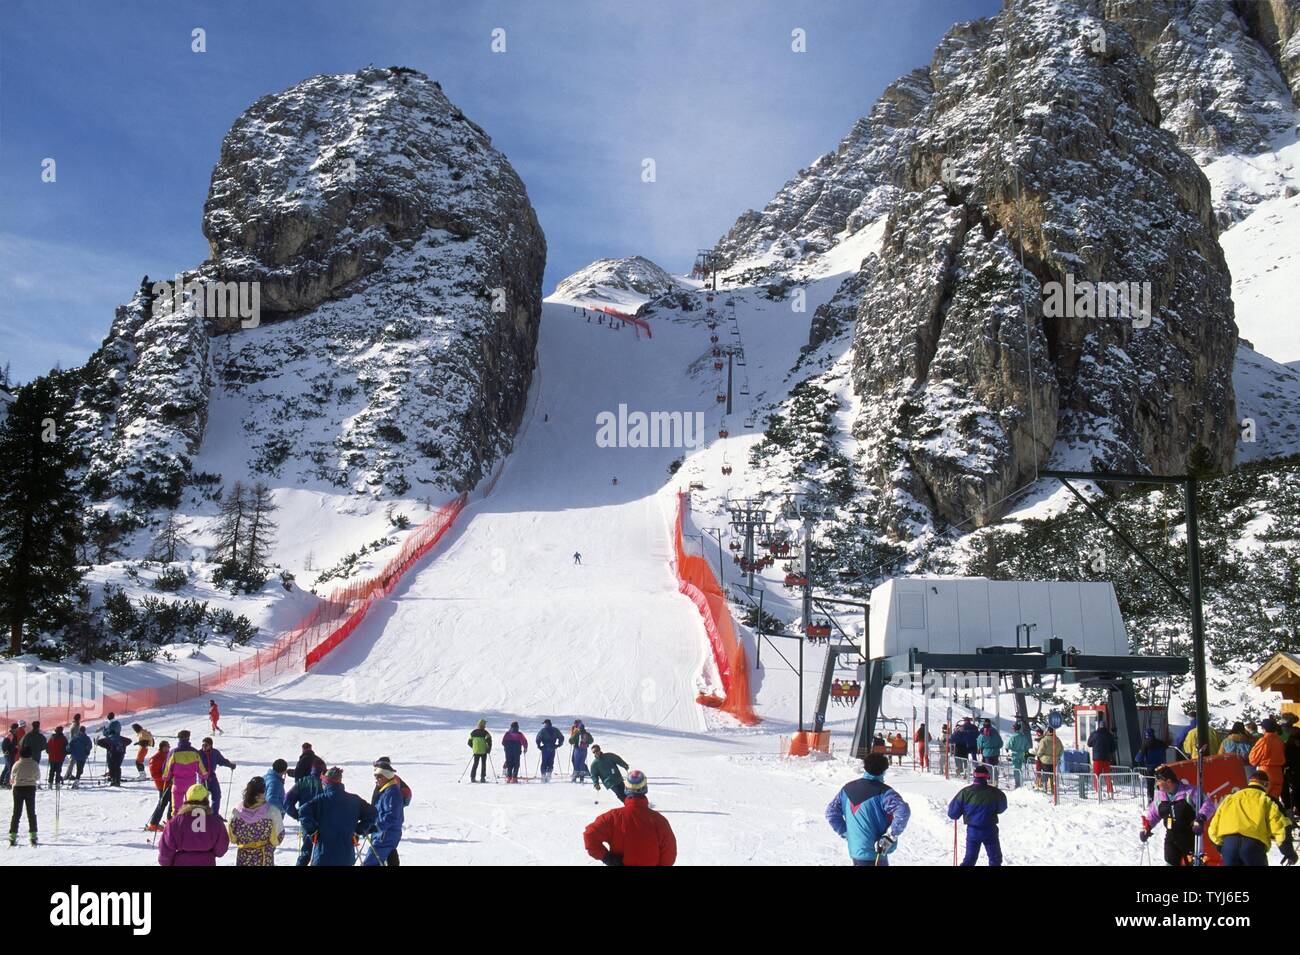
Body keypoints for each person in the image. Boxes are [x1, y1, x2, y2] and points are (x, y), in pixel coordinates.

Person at [826, 752, 910, 866]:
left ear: (865, 767)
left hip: (856, 851)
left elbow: (831, 812)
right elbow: (903, 811)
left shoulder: (847, 789)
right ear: (884, 770)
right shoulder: (884, 793)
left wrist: (846, 832)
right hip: (877, 853)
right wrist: (891, 835)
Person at [582, 770, 676, 866]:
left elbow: (590, 835)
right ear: (645, 788)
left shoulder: (612, 817)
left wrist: (607, 858)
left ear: (626, 789)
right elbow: (669, 853)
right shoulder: (659, 821)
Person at [1207, 770, 1297, 866]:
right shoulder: (1267, 800)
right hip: (1253, 846)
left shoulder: (1230, 798)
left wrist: (1222, 847)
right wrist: (1289, 853)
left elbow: (1213, 828)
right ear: (1266, 784)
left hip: (1229, 845)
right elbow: (1281, 827)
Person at [299, 767, 377, 867]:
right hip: (346, 857)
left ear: (326, 783)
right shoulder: (354, 800)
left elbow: (303, 811)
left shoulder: (321, 800)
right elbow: (372, 812)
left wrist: (312, 830)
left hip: (323, 856)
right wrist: (359, 830)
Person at [1140, 766, 1214, 866]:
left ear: (1168, 782)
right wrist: (1147, 827)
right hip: (1171, 838)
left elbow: (1208, 804)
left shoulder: (1189, 792)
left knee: (1194, 863)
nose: (1157, 784)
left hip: (1190, 838)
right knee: (1170, 862)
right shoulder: (1160, 796)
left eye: (1159, 781)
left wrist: (1200, 818)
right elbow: (1153, 814)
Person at [947, 764, 1008, 866]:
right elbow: (1002, 807)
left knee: (970, 860)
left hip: (973, 831)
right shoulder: (995, 792)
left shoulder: (965, 792)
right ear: (987, 777)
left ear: (974, 776)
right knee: (995, 859)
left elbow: (953, 813)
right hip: (990, 830)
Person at [158, 783, 229, 866]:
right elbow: (221, 849)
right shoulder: (216, 822)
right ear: (206, 799)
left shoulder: (175, 822)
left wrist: (167, 862)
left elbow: (165, 849)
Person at [228, 775, 284, 866]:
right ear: (260, 794)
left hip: (243, 858)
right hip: (264, 857)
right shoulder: (272, 812)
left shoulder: (236, 812)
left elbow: (232, 838)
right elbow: (277, 839)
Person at [284, 763, 324, 866]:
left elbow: (287, 801)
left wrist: (298, 815)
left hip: (307, 823)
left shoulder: (302, 782)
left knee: (306, 852)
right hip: (324, 823)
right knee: (323, 853)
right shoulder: (326, 783)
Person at [366, 763, 405, 866]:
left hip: (386, 836)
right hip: (382, 835)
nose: (376, 779)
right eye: (375, 776)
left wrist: (376, 827)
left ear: (387, 776)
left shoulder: (392, 793)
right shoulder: (385, 791)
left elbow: (391, 816)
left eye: (379, 776)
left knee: (370, 863)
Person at [162, 730, 208, 813]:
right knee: (190, 806)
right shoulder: (194, 752)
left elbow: (167, 768)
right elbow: (201, 769)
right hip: (191, 784)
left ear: (179, 739)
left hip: (177, 783)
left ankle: (176, 823)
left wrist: (166, 777)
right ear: (188, 738)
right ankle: (189, 823)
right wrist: (204, 776)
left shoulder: (174, 753)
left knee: (176, 808)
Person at [7, 745, 38, 847]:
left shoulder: (17, 764)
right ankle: (33, 836)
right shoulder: (34, 764)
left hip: (18, 789)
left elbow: (12, 777)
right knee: (31, 813)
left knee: (16, 813)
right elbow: (37, 777)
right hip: (30, 788)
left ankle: (13, 836)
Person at [1248, 720, 1286, 799]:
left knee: (1263, 799)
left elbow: (1253, 759)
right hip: (1278, 772)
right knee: (1274, 800)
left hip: (1266, 772)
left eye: (1262, 728)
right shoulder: (1279, 741)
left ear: (1264, 729)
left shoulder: (1264, 740)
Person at [199, 737, 236, 815]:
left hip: (212, 777)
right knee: (202, 798)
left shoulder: (215, 753)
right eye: (203, 745)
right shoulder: (199, 753)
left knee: (217, 795)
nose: (204, 747)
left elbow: (222, 761)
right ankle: (203, 814)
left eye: (206, 745)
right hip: (202, 779)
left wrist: (230, 765)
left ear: (210, 745)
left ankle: (214, 814)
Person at [1134, 729, 1168, 802]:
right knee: (1161, 784)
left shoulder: (1146, 745)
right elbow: (1166, 747)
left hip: (1150, 768)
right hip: (1161, 767)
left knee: (1150, 785)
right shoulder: (1161, 743)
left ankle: (1151, 800)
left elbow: (1138, 758)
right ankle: (1164, 799)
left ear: (1146, 735)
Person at [146, 740, 173, 832]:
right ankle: (154, 823)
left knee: (172, 803)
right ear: (162, 747)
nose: (168, 748)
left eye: (168, 747)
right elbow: (154, 775)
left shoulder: (169, 756)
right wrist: (165, 778)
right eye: (166, 747)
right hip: (163, 785)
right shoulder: (155, 758)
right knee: (162, 804)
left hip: (170, 784)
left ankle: (170, 820)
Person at [1087, 718, 1117, 795]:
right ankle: (1110, 790)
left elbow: (1089, 744)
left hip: (1097, 759)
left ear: (1099, 726)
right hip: (1106, 758)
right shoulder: (1109, 735)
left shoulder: (1094, 734)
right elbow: (1113, 748)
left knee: (1096, 775)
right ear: (1105, 726)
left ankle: (1097, 790)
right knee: (1107, 775)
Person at [1034, 727, 1064, 794]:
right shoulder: (1057, 740)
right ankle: (1053, 789)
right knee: (1052, 775)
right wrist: (1058, 756)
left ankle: (1045, 788)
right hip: (1054, 760)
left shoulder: (1044, 740)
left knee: (1045, 774)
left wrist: (1038, 755)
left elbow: (1041, 750)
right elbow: (1062, 749)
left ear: (1048, 731)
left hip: (1045, 760)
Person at [1006, 723, 1033, 788]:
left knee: (1016, 769)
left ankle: (1017, 783)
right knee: (1020, 769)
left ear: (1015, 729)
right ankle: (1020, 782)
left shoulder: (1013, 737)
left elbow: (1009, 745)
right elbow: (1028, 746)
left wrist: (1007, 749)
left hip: (1015, 754)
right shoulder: (1024, 737)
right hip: (1022, 755)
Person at [1, 723, 19, 788]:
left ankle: (1, 781)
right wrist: (5, 751)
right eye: (17, 728)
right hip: (9, 754)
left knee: (6, 768)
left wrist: (15, 750)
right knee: (10, 768)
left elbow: (14, 745)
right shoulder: (10, 735)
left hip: (11, 753)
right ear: (14, 729)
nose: (17, 729)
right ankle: (6, 782)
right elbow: (4, 745)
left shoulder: (13, 735)